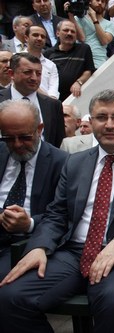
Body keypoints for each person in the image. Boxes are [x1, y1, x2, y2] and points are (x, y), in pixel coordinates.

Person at [0, 89, 114, 333]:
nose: (109, 124)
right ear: (90, 121)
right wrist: (39, 246)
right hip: (73, 252)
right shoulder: (75, 162)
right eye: (101, 117)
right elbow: (57, 214)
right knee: (10, 297)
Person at [0, 99, 67, 277]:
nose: (17, 144)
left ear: (39, 129)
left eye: (24, 137)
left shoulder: (63, 163)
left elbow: (64, 214)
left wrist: (29, 224)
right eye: (8, 138)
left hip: (28, 243)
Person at [0, 52, 65, 147]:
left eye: (38, 74)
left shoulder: (53, 105)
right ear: (11, 74)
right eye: (27, 72)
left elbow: (58, 143)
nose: (34, 78)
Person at [44, 20, 95, 101]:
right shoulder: (48, 53)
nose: (69, 33)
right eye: (66, 30)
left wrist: (79, 82)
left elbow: (88, 71)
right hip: (55, 99)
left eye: (73, 31)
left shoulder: (84, 49)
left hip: (77, 96)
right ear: (57, 33)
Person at [68, 0, 114, 69]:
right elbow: (82, 38)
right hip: (81, 62)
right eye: (97, 0)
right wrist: (70, 15)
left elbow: (104, 41)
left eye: (103, 2)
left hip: (99, 64)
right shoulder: (78, 19)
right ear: (89, 2)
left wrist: (94, 19)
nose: (100, 3)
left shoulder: (110, 24)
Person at [25, 25, 59, 99]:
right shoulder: (15, 58)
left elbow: (53, 90)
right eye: (35, 35)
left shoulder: (51, 65)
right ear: (26, 38)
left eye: (43, 37)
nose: (40, 38)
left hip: (45, 105)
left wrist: (50, 102)